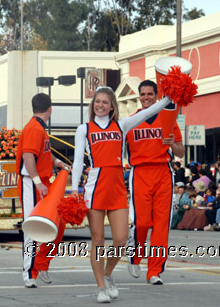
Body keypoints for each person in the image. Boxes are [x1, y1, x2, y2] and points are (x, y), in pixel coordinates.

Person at [71, 86, 171, 302]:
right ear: (93, 104)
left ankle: (107, 275)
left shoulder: (122, 125)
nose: (100, 105)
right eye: (97, 101)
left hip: (117, 188)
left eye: (105, 102)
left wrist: (169, 99)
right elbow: (78, 161)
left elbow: (148, 112)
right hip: (95, 188)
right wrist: (72, 189)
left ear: (112, 106)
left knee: (121, 240)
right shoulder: (83, 129)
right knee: (97, 240)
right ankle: (100, 287)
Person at [125, 80, 185, 285]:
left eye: (150, 94)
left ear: (157, 95)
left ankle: (154, 271)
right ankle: (134, 256)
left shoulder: (168, 119)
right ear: (139, 97)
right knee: (142, 222)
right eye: (143, 94)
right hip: (139, 173)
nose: (146, 97)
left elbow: (181, 151)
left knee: (161, 225)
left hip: (163, 173)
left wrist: (172, 145)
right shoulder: (130, 121)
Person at [16, 93, 71, 289]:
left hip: (40, 182)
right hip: (32, 183)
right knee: (32, 228)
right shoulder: (34, 128)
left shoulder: (38, 128)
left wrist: (56, 162)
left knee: (57, 224)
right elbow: (28, 156)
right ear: (50, 108)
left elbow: (42, 153)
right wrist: (38, 181)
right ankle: (29, 273)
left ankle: (40, 264)